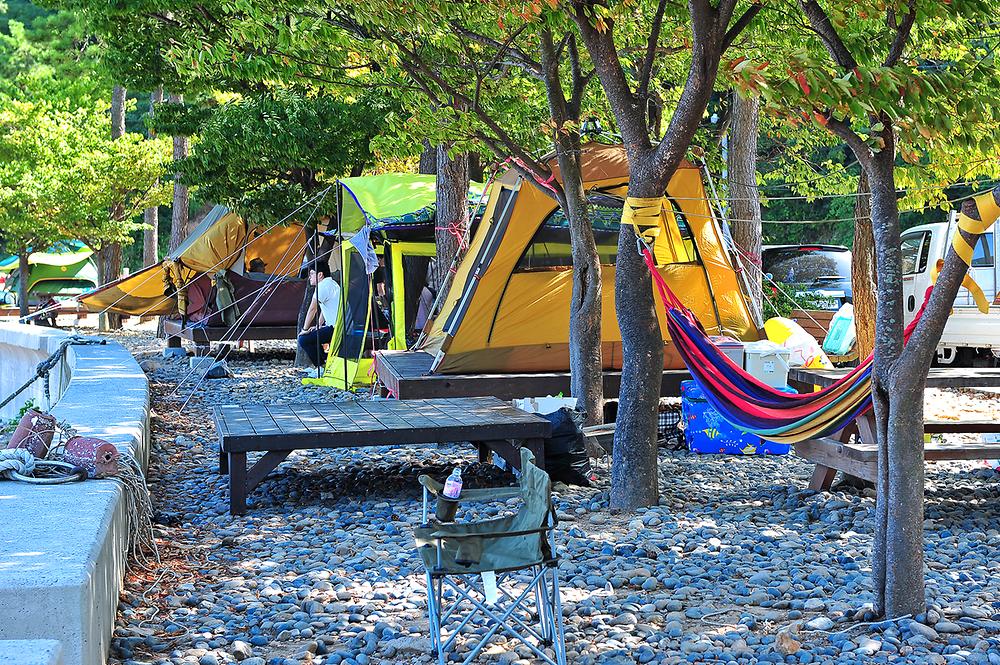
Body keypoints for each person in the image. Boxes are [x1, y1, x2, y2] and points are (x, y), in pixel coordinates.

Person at [298, 260, 342, 367]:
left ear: (320, 274)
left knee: (304, 339)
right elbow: (324, 307)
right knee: (314, 335)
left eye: (312, 274)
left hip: (336, 329)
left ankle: (321, 366)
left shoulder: (322, 286)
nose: (310, 277)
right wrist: (318, 325)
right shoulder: (332, 284)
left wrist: (304, 329)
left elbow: (312, 309)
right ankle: (325, 363)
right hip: (338, 327)